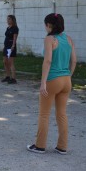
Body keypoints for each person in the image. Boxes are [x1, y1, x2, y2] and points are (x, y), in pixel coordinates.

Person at [27, 13, 77, 155]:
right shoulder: (68, 39)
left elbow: (47, 61)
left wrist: (43, 82)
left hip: (52, 79)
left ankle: (40, 145)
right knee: (61, 114)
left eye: (45, 24)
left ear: (49, 25)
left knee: (44, 114)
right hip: (66, 80)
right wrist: (69, 75)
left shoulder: (50, 39)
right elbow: (74, 61)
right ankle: (62, 146)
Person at [1, 15, 19, 84]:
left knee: (10, 62)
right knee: (5, 62)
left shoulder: (15, 28)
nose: (7, 20)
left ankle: (13, 78)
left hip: (11, 47)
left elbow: (15, 38)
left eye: (9, 19)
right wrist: (4, 46)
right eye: (7, 19)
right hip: (6, 46)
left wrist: (13, 46)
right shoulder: (8, 28)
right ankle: (7, 76)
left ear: (12, 20)